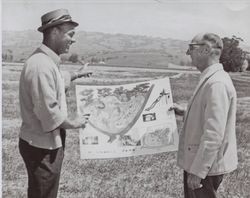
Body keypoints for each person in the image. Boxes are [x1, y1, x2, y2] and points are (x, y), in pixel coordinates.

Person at [19, 9, 91, 198]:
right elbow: (49, 113)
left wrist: (76, 74)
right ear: (54, 32)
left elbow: (57, 81)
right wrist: (75, 122)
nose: (73, 40)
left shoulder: (46, 61)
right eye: (70, 34)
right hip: (42, 147)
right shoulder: (41, 65)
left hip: (45, 142)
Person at [170, 33, 238, 198]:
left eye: (191, 48)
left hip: (204, 167)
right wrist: (186, 111)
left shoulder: (216, 84)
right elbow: (209, 116)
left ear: (206, 50)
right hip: (203, 163)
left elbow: (214, 133)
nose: (188, 53)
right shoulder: (212, 79)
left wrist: (199, 170)